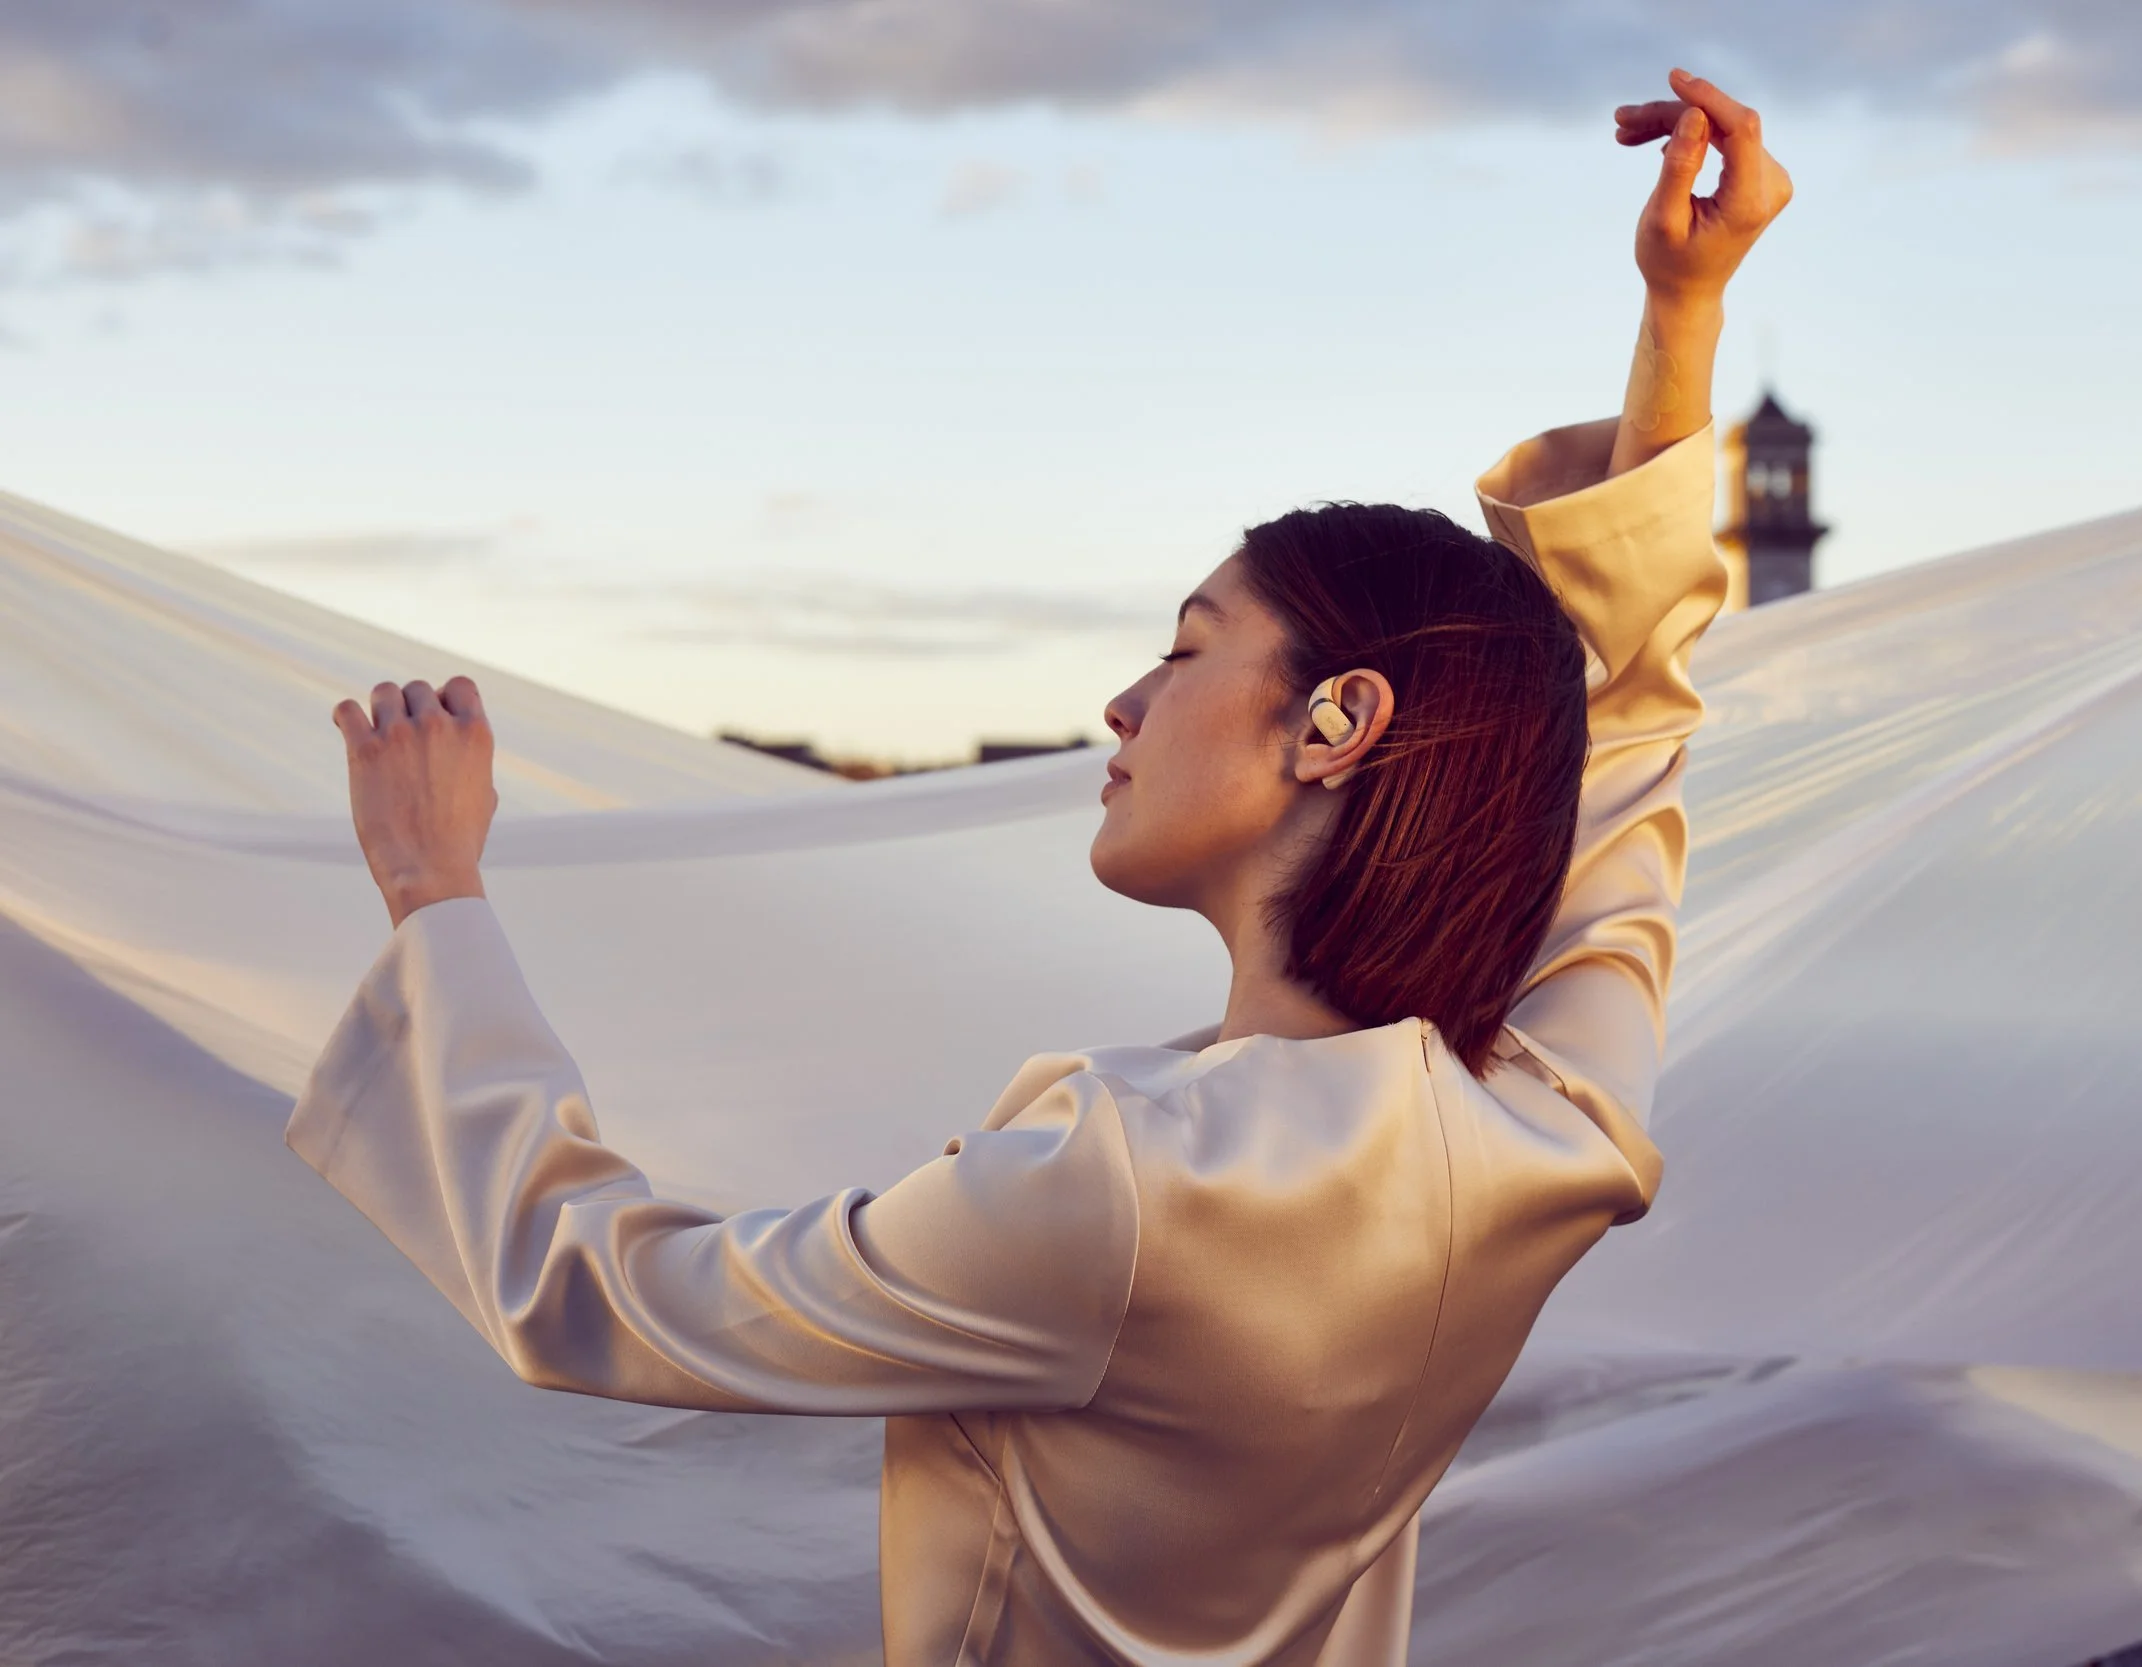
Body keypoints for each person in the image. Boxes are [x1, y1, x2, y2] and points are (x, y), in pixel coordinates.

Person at [295, 69, 1790, 1667]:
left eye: (1186, 648)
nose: (1124, 704)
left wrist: (433, 897)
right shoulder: (1543, 1134)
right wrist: (1684, 312)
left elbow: (588, 1290)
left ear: (1338, 720)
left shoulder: (1128, 1185)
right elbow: (1622, 735)